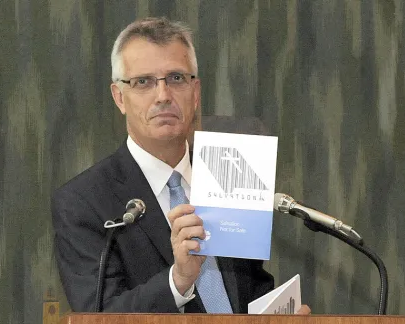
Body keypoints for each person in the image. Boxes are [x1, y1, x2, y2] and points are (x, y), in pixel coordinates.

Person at [52, 16, 309, 314]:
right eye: (143, 82)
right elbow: (101, 314)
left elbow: (248, 287)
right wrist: (179, 280)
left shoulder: (230, 170)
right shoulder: (82, 202)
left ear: (196, 92)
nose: (163, 96)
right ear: (119, 97)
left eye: (176, 78)